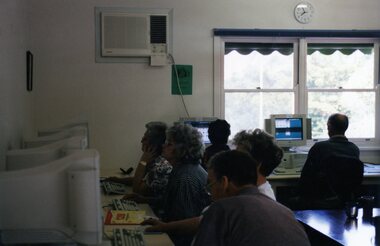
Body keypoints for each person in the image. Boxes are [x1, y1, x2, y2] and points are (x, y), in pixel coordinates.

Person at [141, 128, 283, 238]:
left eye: (239, 155)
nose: (233, 159)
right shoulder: (241, 189)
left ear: (257, 163)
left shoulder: (258, 200)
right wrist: (165, 226)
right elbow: (204, 220)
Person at [192, 150, 310, 246]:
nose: (210, 193)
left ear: (224, 182)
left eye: (210, 185)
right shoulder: (285, 211)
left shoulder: (221, 209)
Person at [160, 123, 210, 246]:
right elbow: (173, 201)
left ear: (182, 149)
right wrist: (144, 199)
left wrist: (161, 228)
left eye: (169, 144)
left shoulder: (185, 178)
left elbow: (184, 224)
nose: (163, 146)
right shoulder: (185, 168)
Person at [298, 113, 360, 204]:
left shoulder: (319, 147)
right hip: (344, 201)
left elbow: (305, 177)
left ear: (329, 127)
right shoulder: (354, 149)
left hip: (319, 199)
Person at [106, 121, 172, 198]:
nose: (141, 141)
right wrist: (118, 180)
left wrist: (143, 161)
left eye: (145, 139)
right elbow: (141, 180)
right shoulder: (155, 160)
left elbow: (136, 190)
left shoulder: (160, 167)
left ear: (153, 145)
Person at [233, 128, 283, 200]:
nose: (234, 162)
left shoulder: (260, 200)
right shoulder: (253, 191)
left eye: (239, 158)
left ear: (257, 163)